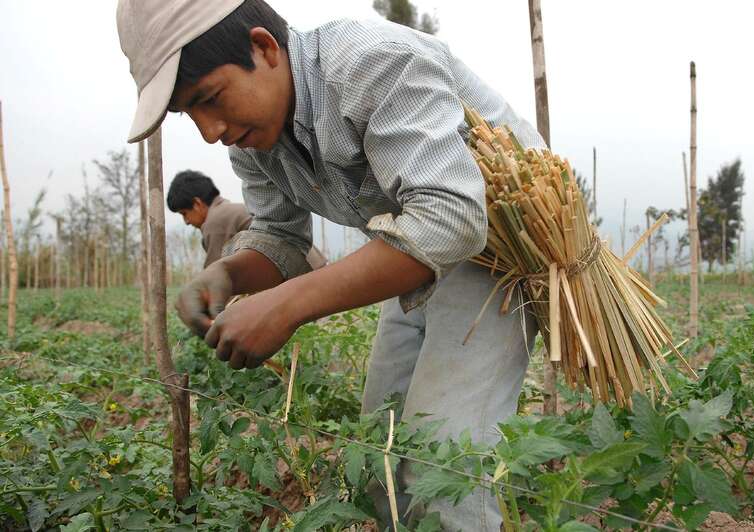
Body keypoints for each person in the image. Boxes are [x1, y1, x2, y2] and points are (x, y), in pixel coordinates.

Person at [117, 1, 543, 529]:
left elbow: (451, 217)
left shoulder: (369, 62)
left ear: (263, 48)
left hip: (497, 254)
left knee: (444, 464)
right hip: (408, 255)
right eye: (191, 113)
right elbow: (279, 237)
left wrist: (287, 307)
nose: (210, 130)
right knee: (379, 449)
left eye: (209, 98)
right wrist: (226, 273)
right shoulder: (253, 140)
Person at [167, 169, 327, 269]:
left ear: (197, 204)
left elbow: (215, 278)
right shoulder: (226, 211)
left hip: (301, 273)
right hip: (311, 266)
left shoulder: (215, 223)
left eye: (184, 213)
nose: (186, 222)